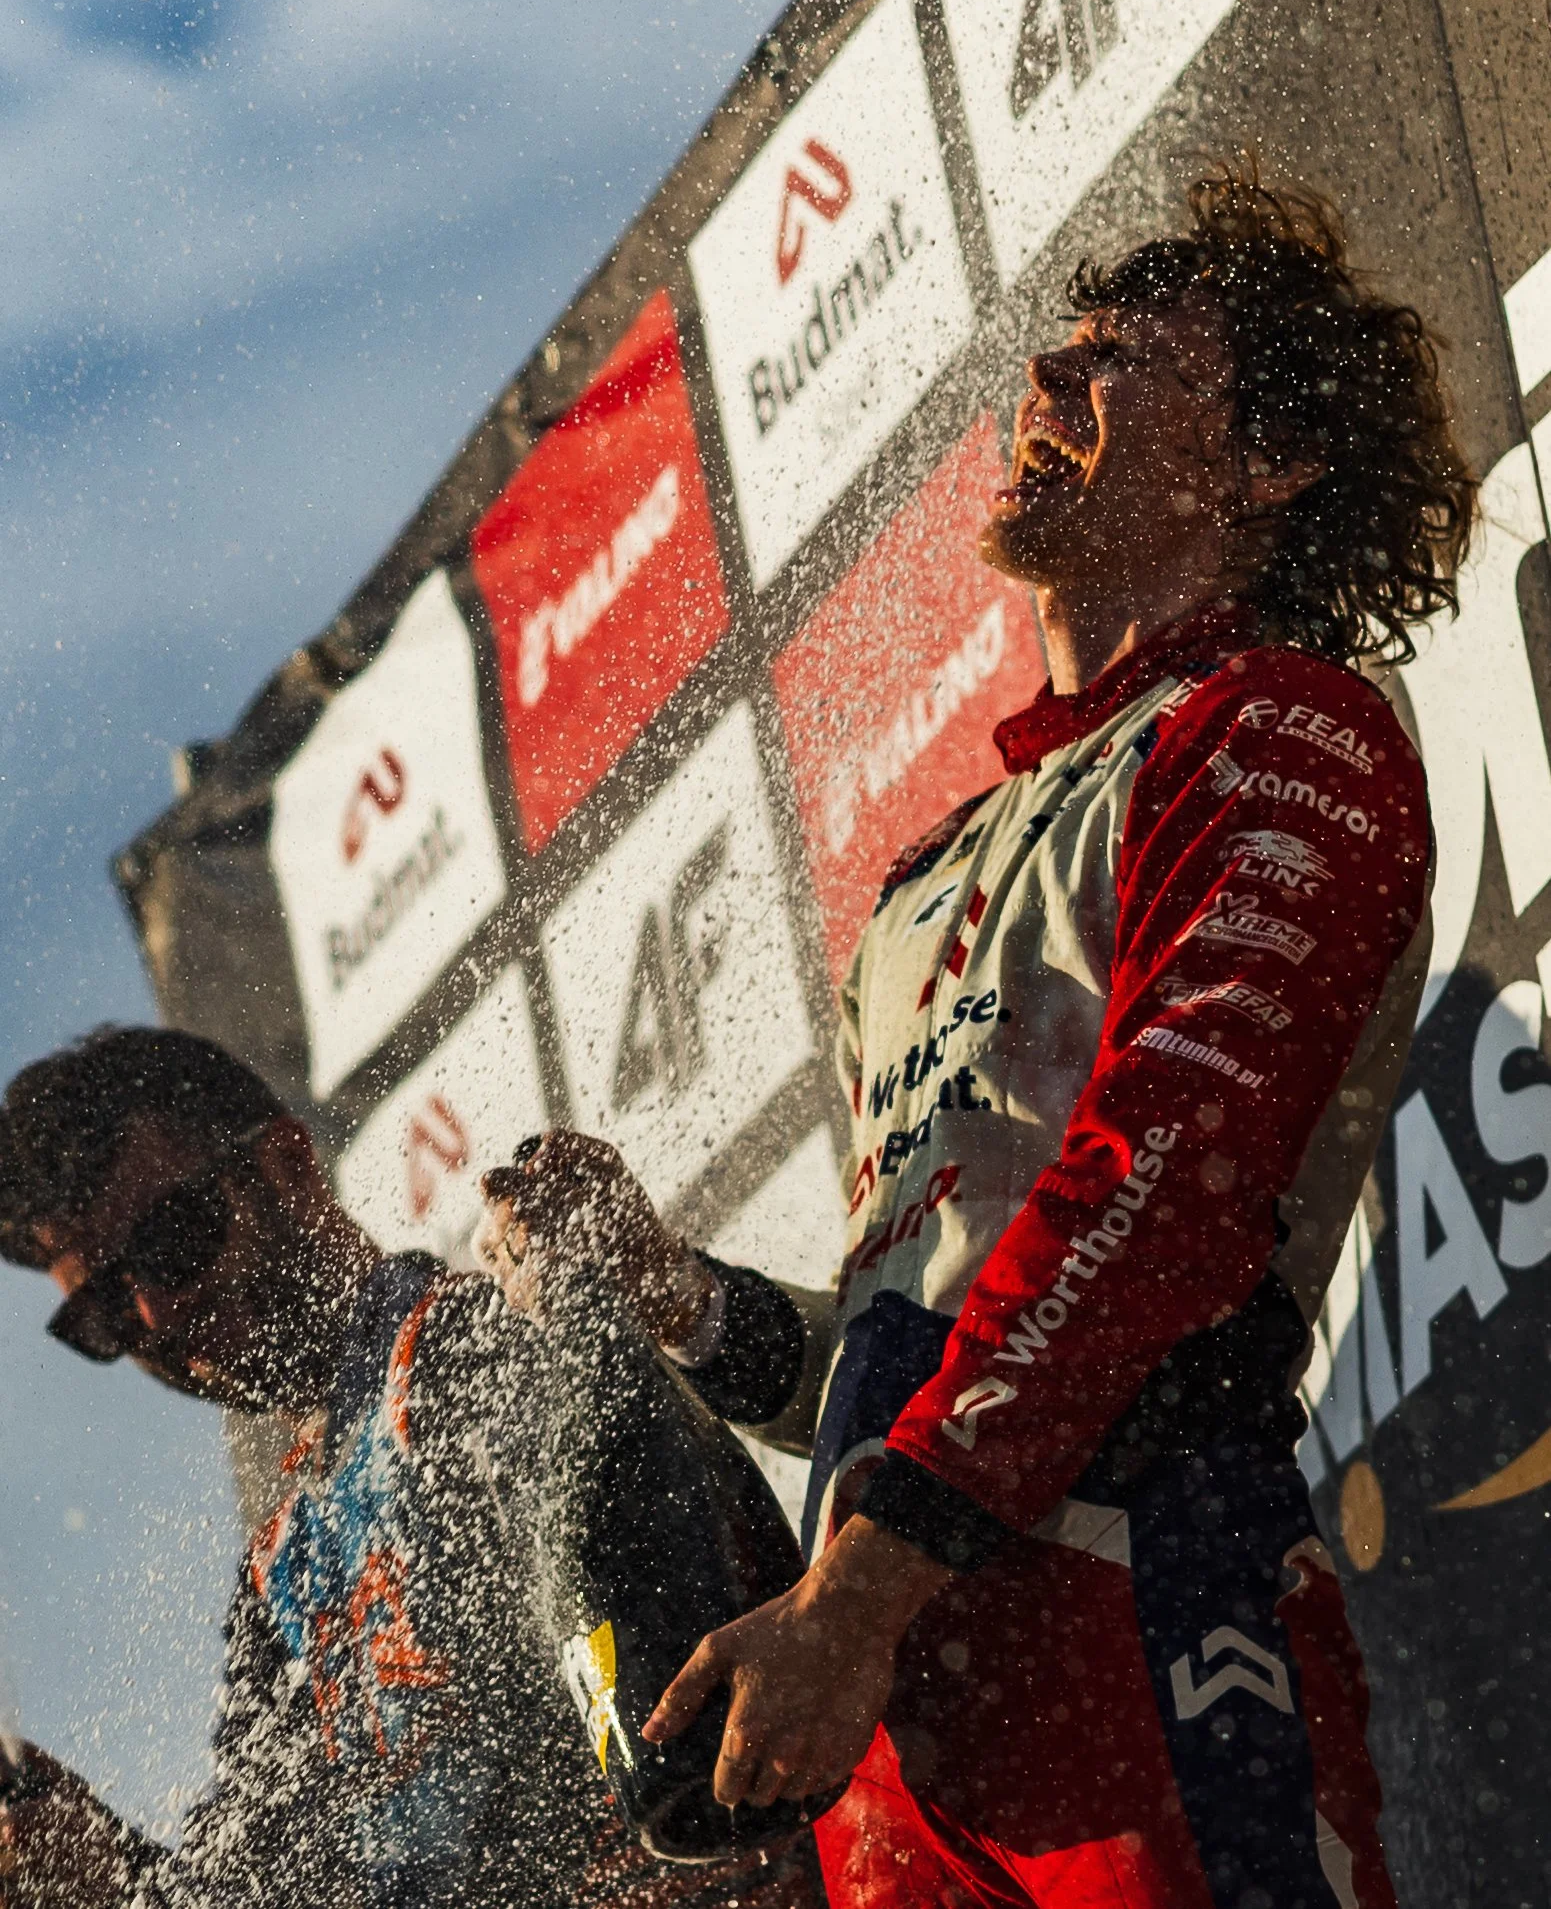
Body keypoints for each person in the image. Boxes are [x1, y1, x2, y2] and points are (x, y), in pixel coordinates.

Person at [490, 170, 1474, 1908]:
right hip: (891, 1688)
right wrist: (677, 1293)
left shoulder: (1275, 727)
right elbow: (906, 1350)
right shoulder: (933, 870)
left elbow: (1159, 1200)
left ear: (1267, 464)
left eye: (1122, 363)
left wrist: (858, 1586)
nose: (1046, 384)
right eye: (1055, 351)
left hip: (1130, 1586)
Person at [0, 1026, 824, 1909]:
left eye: (176, 1240)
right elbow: (267, 1887)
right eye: (102, 1311)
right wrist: (110, 1872)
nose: (157, 1310)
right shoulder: (273, 1580)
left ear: (285, 1164)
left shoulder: (476, 1342)